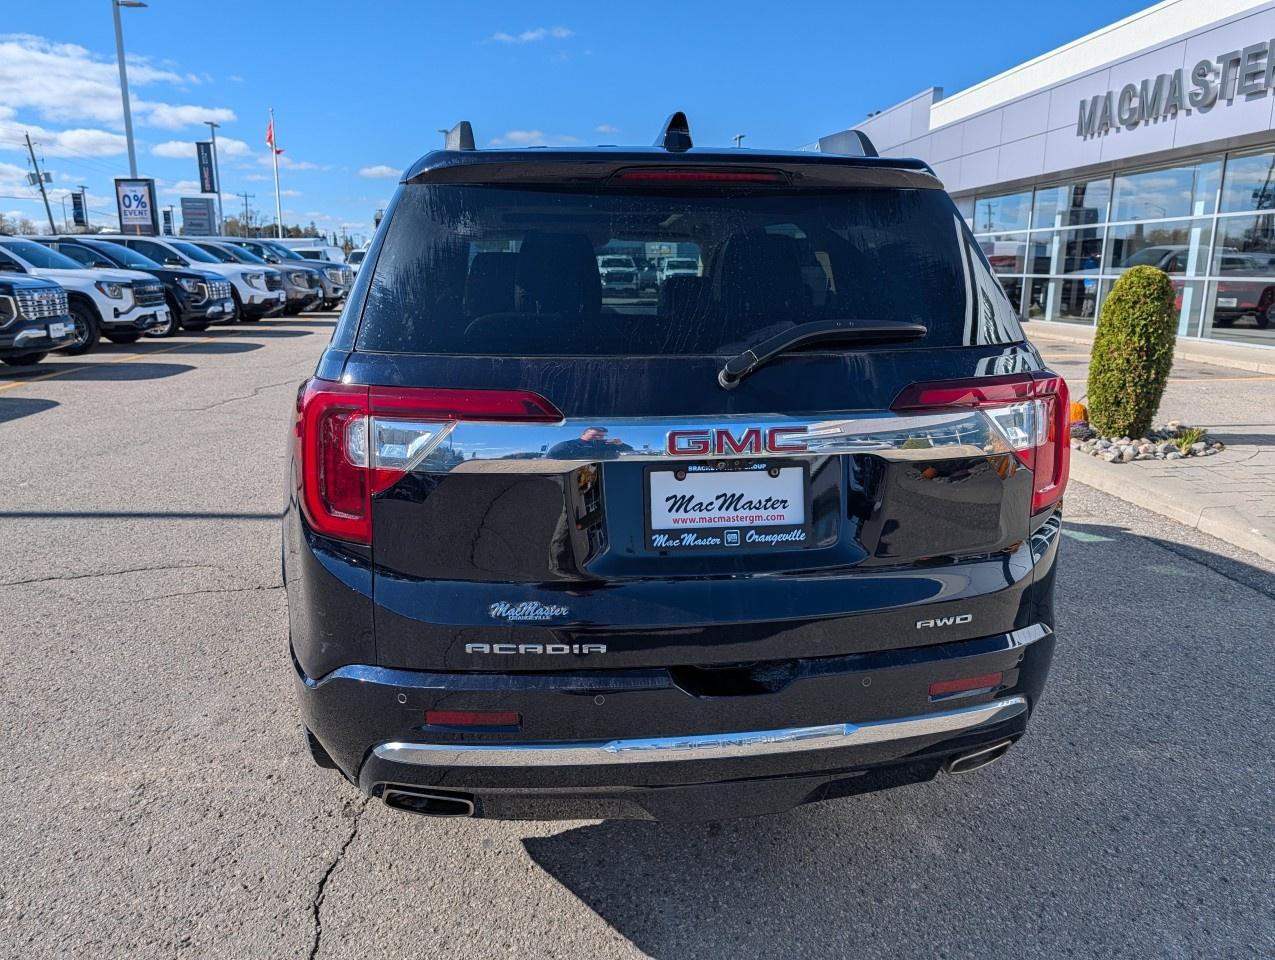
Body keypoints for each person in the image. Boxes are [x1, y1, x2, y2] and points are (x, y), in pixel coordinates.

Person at [546, 426, 632, 460]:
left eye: (601, 436)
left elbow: (630, 451)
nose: (599, 437)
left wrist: (620, 444)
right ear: (583, 434)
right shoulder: (568, 445)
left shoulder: (607, 444)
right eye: (595, 435)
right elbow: (551, 456)